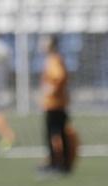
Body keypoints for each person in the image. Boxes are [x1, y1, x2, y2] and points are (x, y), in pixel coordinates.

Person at [38, 35, 70, 175]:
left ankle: (57, 163)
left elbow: (59, 77)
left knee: (53, 134)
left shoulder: (54, 59)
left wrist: (50, 89)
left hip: (54, 104)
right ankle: (59, 163)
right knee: (57, 133)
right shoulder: (52, 59)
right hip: (55, 103)